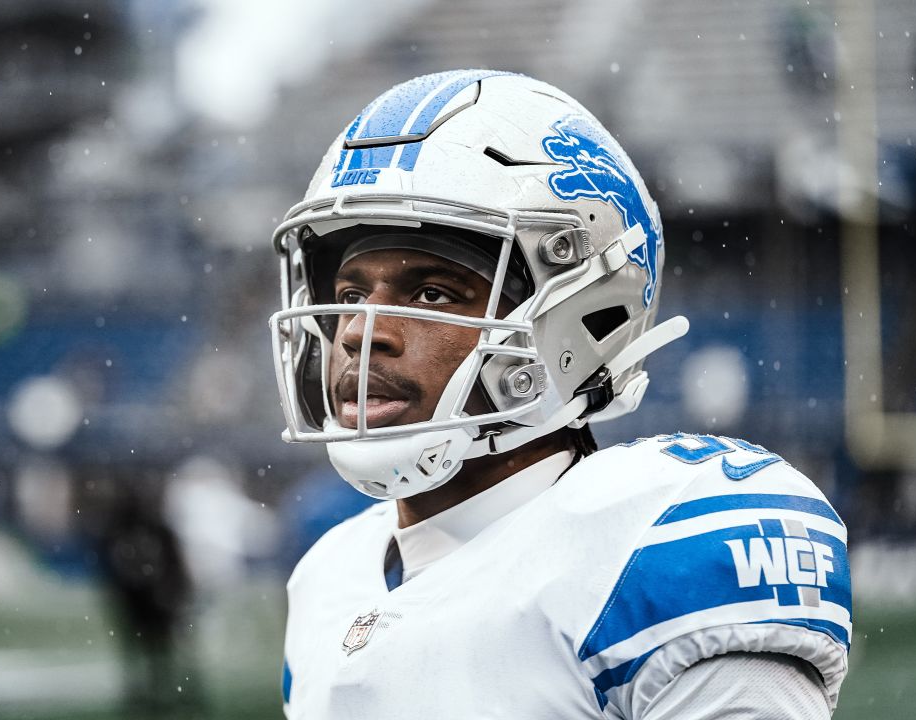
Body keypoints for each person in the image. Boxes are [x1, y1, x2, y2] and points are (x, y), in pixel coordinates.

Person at [268, 70, 851, 719]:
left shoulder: (650, 550)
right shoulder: (329, 575)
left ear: (582, 316)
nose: (358, 332)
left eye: (431, 293)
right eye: (349, 297)